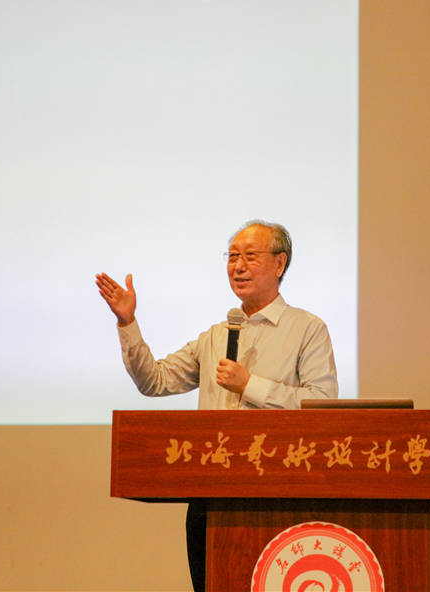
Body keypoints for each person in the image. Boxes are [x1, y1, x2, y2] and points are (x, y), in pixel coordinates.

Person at [96, 219, 338, 592]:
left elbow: (323, 404)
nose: (238, 266)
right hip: (209, 495)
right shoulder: (215, 336)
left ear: (280, 263)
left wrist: (249, 385)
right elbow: (154, 381)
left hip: (275, 494)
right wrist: (128, 322)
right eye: (232, 256)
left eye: (250, 256)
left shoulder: (307, 328)